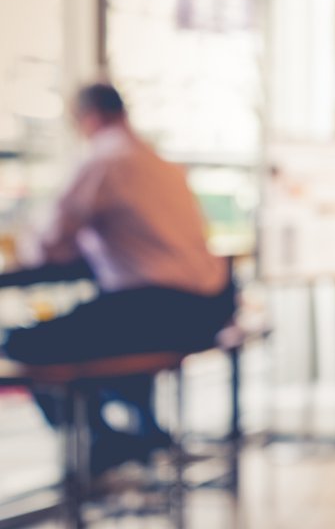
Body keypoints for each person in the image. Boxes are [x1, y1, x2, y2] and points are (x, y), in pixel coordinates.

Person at [4, 84, 233, 472]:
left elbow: (48, 244)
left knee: (22, 342)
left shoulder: (104, 160)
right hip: (211, 306)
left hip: (161, 308)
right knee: (105, 324)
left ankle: (102, 439)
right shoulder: (159, 162)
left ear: (88, 118)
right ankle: (141, 431)